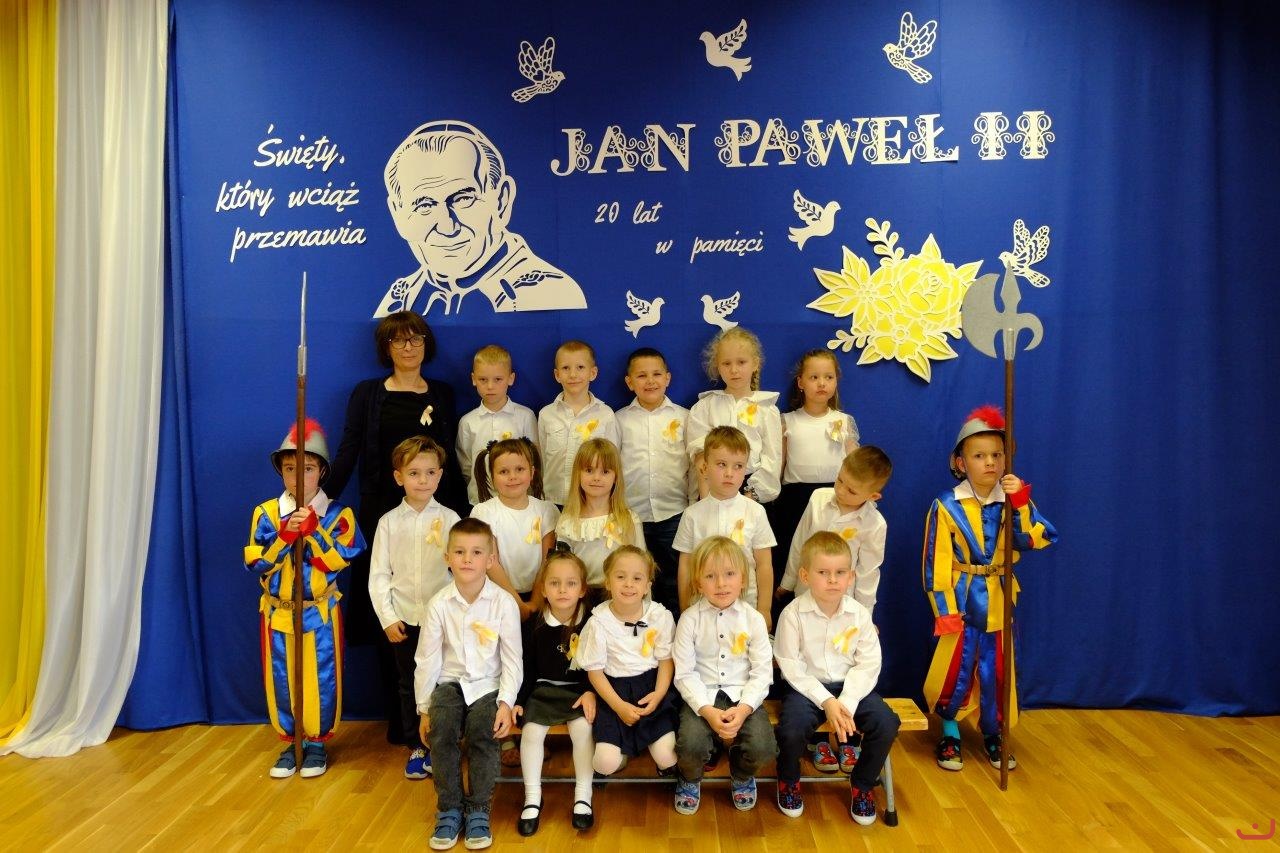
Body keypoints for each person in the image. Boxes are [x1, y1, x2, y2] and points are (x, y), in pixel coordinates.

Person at [326, 310, 464, 745]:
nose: (408, 347)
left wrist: (467, 519)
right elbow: (348, 449)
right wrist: (316, 501)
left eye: (416, 339)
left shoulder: (442, 393)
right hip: (383, 514)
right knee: (391, 613)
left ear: (426, 345)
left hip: (436, 514)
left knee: (440, 612)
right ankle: (402, 722)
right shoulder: (367, 393)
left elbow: (453, 458)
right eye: (399, 340)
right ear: (386, 348)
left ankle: (439, 720)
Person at [923, 406, 1057, 772]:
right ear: (960, 462)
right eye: (979, 456)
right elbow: (935, 562)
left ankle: (994, 732)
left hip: (998, 600)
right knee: (956, 668)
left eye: (997, 455)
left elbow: (1036, 539)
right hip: (962, 600)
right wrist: (944, 610)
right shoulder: (946, 505)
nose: (990, 463)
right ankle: (950, 731)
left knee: (996, 669)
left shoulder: (1014, 500)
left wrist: (1020, 504)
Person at [244, 419, 365, 779]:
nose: (299, 477)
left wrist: (313, 534)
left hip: (319, 611)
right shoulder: (266, 514)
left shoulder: (338, 515)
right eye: (290, 468)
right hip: (278, 612)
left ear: (322, 471)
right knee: (282, 678)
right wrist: (284, 536)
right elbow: (257, 563)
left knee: (320, 678)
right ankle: (291, 740)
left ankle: (316, 744)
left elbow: (339, 560)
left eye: (308, 468)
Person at [377, 119, 586, 317]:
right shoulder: (399, 301)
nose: (447, 226)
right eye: (424, 205)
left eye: (463, 199)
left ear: (502, 200)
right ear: (397, 214)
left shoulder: (552, 292)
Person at [774, 532, 900, 826]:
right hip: (805, 689)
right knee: (791, 729)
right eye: (823, 573)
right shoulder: (792, 615)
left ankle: (863, 784)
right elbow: (790, 666)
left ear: (851, 576)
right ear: (805, 576)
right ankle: (789, 780)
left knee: (886, 723)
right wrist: (827, 701)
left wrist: (847, 701)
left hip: (851, 688)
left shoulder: (859, 615)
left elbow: (869, 663)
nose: (832, 580)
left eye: (840, 572)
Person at [415, 518, 522, 851]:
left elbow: (513, 660)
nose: (467, 559)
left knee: (482, 732)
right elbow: (427, 659)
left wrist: (505, 702)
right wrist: (424, 709)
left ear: (490, 560)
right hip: (450, 683)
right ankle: (449, 808)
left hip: (489, 686)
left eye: (476, 552)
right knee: (442, 729)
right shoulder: (439, 604)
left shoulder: (503, 603)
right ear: (447, 557)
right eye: (459, 552)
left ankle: (478, 809)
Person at [368, 435, 461, 780]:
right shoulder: (389, 522)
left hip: (443, 620)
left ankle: (443, 744)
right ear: (399, 477)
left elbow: (460, 570)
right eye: (414, 473)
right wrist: (387, 618)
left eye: (430, 472)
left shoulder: (450, 519)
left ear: (440, 476)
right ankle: (417, 746)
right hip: (405, 619)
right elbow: (379, 574)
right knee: (409, 683)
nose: (423, 480)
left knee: (444, 682)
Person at [671, 537, 777, 815]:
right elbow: (684, 674)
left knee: (764, 747)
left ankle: (741, 774)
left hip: (743, 696)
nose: (721, 584)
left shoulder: (753, 619)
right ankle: (689, 778)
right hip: (701, 696)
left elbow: (762, 672)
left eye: (729, 574)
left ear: (743, 580)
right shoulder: (689, 620)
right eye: (710, 576)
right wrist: (706, 711)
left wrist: (744, 709)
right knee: (690, 745)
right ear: (698, 583)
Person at [574, 546, 679, 787]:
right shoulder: (598, 622)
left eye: (637, 578)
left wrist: (659, 694)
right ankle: (621, 755)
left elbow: (666, 660)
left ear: (647, 586)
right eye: (620, 577)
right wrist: (619, 706)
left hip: (651, 687)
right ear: (608, 582)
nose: (629, 584)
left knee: (667, 757)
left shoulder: (660, 616)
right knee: (604, 763)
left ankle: (654, 751)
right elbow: (595, 672)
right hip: (613, 692)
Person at [512, 547, 597, 836]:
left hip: (580, 691)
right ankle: (532, 797)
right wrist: (519, 701)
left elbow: (600, 666)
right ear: (543, 589)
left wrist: (590, 691)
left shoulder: (593, 621)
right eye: (554, 583)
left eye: (571, 583)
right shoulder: (533, 625)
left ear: (582, 589)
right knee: (531, 732)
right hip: (544, 690)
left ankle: (583, 795)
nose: (562, 590)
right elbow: (527, 668)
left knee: (582, 730)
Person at [772, 349, 861, 593]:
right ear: (801, 383)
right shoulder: (787, 420)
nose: (822, 383)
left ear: (836, 381)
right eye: (814, 377)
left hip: (835, 499)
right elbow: (779, 464)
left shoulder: (843, 421)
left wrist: (862, 494)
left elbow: (855, 464)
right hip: (794, 501)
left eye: (828, 377)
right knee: (796, 554)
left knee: (829, 558)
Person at [674, 426, 776, 629]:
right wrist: (685, 607)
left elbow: (764, 564)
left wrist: (764, 609)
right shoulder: (692, 515)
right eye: (721, 464)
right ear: (705, 468)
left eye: (738, 466)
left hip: (745, 607)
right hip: (702, 608)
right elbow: (685, 566)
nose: (730, 473)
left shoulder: (755, 512)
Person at [616, 346, 690, 616]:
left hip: (674, 513)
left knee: (674, 578)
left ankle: (675, 628)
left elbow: (694, 468)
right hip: (631, 515)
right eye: (641, 375)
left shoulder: (684, 417)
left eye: (657, 374)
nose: (650, 381)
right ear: (629, 382)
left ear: (667, 378)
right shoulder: (619, 420)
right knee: (634, 578)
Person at [779, 446, 892, 615]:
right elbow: (799, 542)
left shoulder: (874, 524)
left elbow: (868, 573)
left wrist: (865, 615)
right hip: (805, 593)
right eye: (840, 480)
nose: (840, 490)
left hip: (841, 604)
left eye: (851, 491)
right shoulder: (818, 498)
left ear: (873, 496)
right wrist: (788, 581)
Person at [686, 326, 782, 505]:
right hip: (711, 489)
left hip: (751, 492)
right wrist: (707, 501)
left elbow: (772, 460)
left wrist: (749, 498)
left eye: (741, 362)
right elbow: (699, 456)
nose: (734, 370)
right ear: (718, 366)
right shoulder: (704, 407)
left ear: (755, 364)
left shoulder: (767, 410)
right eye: (726, 363)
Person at [469, 437, 559, 619]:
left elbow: (547, 561)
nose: (512, 476)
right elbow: (491, 563)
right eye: (503, 471)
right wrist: (517, 604)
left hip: (541, 595)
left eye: (519, 469)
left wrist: (535, 603)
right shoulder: (483, 512)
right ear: (492, 476)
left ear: (532, 472)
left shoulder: (547, 510)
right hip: (499, 597)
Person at [555, 438, 646, 592]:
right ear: (578, 474)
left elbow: (641, 567)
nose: (596, 478)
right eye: (589, 470)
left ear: (616, 477)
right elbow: (561, 568)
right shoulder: (567, 521)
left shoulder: (629, 519)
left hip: (620, 595)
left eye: (605, 472)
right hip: (579, 595)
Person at [537, 340, 620, 506]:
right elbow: (542, 460)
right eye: (566, 368)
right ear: (557, 375)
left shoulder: (606, 415)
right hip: (553, 501)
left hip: (592, 502)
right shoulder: (546, 414)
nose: (573, 374)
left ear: (593, 373)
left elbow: (611, 462)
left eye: (580, 367)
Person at [457, 344, 538, 509]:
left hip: (520, 499)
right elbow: (466, 464)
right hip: (481, 500)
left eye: (498, 379)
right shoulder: (468, 422)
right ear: (473, 379)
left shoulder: (525, 416)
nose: (490, 386)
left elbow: (534, 456)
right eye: (483, 379)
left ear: (511, 378)